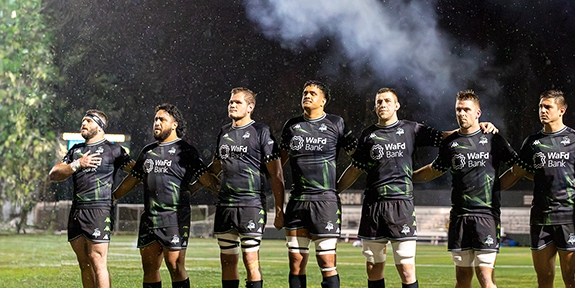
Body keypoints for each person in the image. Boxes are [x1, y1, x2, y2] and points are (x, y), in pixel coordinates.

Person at [337, 88, 497, 288]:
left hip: (401, 206)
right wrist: (335, 191)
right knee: (373, 267)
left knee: (406, 268)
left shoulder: (411, 129)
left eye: (387, 101)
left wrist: (477, 128)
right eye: (379, 102)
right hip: (373, 206)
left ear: (397, 105)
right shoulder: (369, 135)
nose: (383, 105)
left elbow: (445, 137)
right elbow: (356, 168)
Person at [412, 90, 516, 288]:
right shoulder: (451, 142)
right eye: (458, 109)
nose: (461, 113)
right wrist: (407, 177)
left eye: (466, 109)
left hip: (486, 216)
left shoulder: (493, 139)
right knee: (461, 279)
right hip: (459, 218)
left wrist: (497, 186)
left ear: (478, 113)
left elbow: (517, 167)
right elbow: (434, 170)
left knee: (486, 279)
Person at [112, 103, 219, 288]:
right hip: (149, 218)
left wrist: (214, 188)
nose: (157, 123)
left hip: (175, 217)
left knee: (175, 266)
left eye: (162, 119)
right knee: (150, 268)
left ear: (175, 124)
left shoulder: (186, 151)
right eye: (155, 119)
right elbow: (133, 179)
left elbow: (207, 179)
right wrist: (112, 197)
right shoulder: (148, 151)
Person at [280, 80, 357, 288]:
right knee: (296, 263)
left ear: (323, 100)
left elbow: (358, 160)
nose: (307, 95)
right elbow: (277, 163)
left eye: (313, 93)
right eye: (305, 92)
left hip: (325, 202)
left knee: (327, 262)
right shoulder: (292, 126)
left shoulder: (336, 123)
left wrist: (336, 188)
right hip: (297, 201)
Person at [209, 87, 285, 288]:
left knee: (251, 261)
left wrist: (279, 209)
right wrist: (193, 183)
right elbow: (215, 168)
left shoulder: (261, 131)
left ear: (250, 107)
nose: (232, 105)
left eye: (238, 102)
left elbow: (276, 174)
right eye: (230, 102)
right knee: (227, 262)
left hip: (250, 205)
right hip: (225, 205)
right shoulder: (224, 132)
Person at [49, 110, 135, 288]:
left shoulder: (114, 150)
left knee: (97, 261)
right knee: (84, 263)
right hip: (77, 211)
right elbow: (54, 174)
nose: (84, 124)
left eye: (88, 121)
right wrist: (78, 164)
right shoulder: (76, 151)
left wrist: (117, 194)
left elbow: (137, 173)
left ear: (100, 126)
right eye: (82, 121)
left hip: (99, 210)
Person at [500, 90, 575, 288]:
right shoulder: (532, 143)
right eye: (540, 106)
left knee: (572, 279)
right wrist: (489, 189)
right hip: (540, 217)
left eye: (547, 106)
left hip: (569, 217)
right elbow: (515, 173)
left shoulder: (574, 140)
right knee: (544, 279)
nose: (542, 110)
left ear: (561, 110)